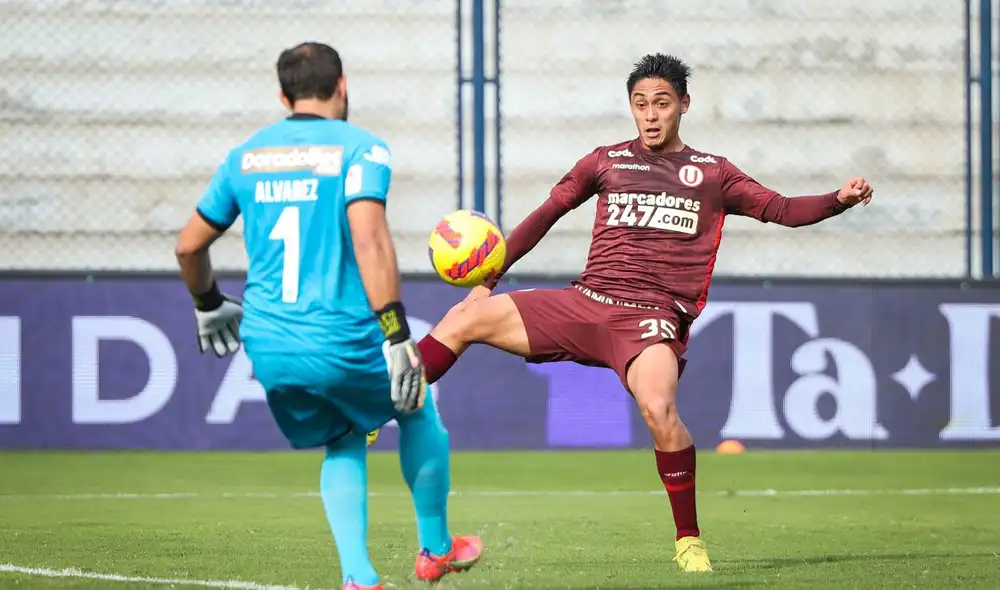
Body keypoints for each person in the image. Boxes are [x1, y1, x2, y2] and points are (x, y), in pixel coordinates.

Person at [415, 53, 874, 573]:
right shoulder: (605, 161)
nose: (651, 115)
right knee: (462, 318)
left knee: (659, 410)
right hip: (585, 302)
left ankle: (688, 539)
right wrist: (486, 282)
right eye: (640, 105)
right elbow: (545, 215)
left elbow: (782, 210)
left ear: (683, 105)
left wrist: (838, 198)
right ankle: (380, 407)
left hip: (651, 318)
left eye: (661, 104)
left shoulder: (713, 174)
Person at [173, 42, 483, 590]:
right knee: (417, 407)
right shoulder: (362, 150)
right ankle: (437, 548)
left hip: (266, 342)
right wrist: (395, 333)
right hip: (340, 336)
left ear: (282, 94)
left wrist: (207, 304)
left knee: (342, 438)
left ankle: (359, 577)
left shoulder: (245, 156)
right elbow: (370, 240)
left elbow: (188, 247)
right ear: (342, 85)